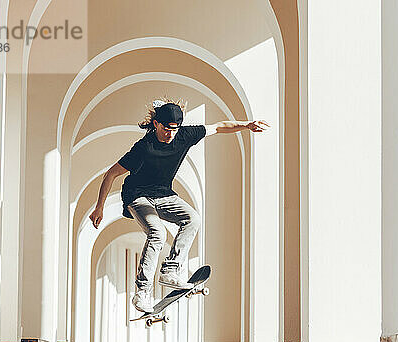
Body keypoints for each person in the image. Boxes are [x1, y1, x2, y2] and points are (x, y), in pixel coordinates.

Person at [89, 99, 269, 312]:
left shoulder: (185, 135)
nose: (170, 135)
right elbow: (110, 175)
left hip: (164, 194)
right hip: (137, 195)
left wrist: (246, 125)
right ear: (156, 124)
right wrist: (99, 207)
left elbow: (219, 126)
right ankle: (142, 292)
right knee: (157, 232)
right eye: (166, 129)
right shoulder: (142, 148)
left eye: (174, 130)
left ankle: (170, 271)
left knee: (193, 218)